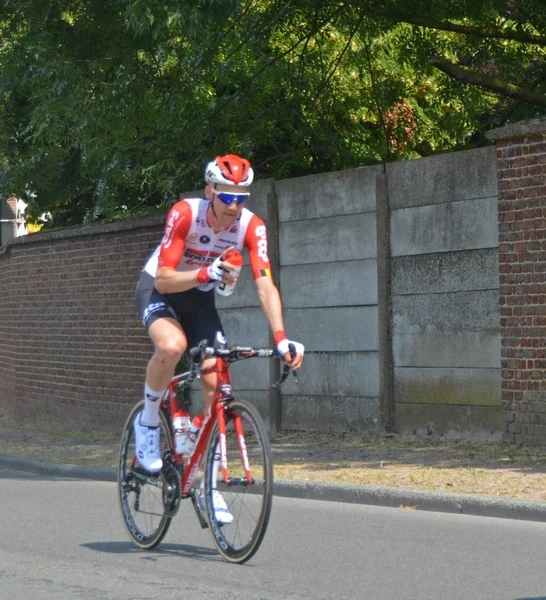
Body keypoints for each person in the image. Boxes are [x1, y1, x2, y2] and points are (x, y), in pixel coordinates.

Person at [135, 153, 305, 523]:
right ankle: (148, 422)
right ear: (210, 190)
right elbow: (164, 278)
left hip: (198, 299)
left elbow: (265, 285)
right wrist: (205, 272)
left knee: (217, 381)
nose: (234, 206)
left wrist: (281, 338)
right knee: (172, 346)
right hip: (161, 289)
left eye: (241, 198)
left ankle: (208, 488)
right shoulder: (186, 213)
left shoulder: (251, 226)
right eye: (226, 197)